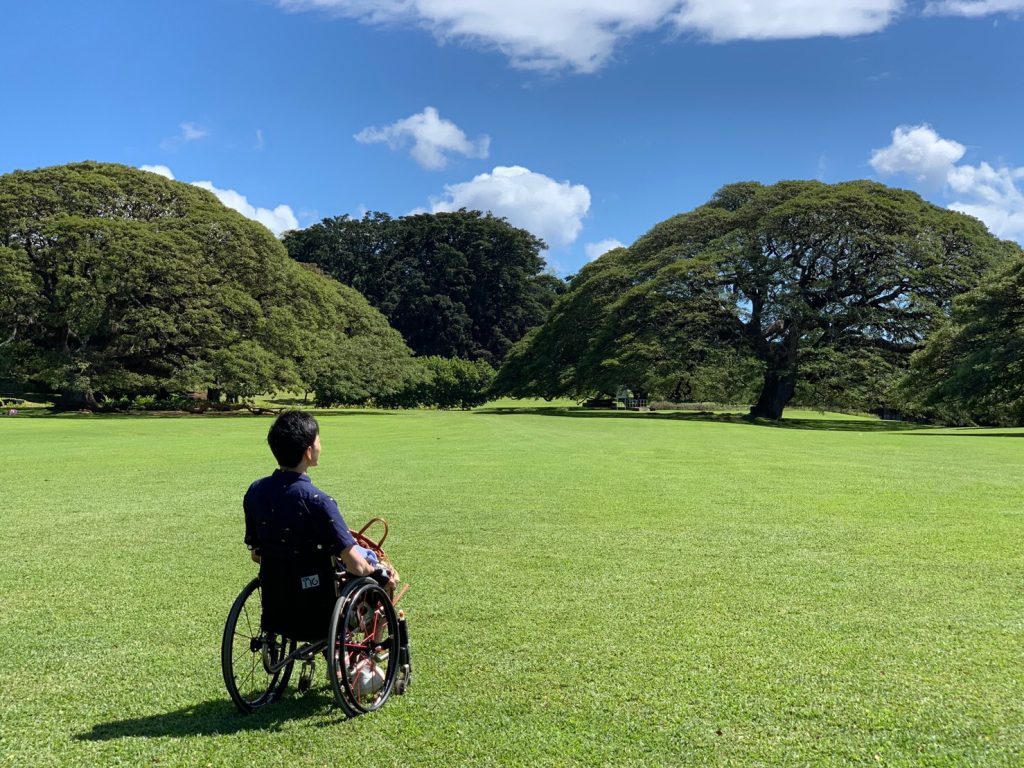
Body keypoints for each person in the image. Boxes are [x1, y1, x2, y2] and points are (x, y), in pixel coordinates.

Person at [243, 410, 395, 639]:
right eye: (318, 440)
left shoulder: (256, 492)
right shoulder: (319, 502)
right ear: (308, 451)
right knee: (387, 576)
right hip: (318, 606)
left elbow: (257, 555)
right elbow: (357, 566)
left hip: (277, 601)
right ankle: (370, 654)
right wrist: (378, 572)